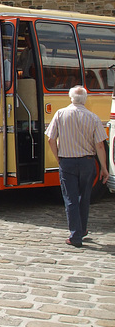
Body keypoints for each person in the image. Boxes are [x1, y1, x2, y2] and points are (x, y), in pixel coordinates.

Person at [45, 85, 109, 248]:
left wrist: (58, 157)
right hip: (87, 162)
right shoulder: (93, 118)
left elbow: (51, 139)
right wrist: (104, 167)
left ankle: (75, 235)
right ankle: (82, 229)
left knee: (71, 198)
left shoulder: (60, 114)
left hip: (67, 161)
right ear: (85, 99)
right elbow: (100, 145)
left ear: (70, 97)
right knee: (84, 197)